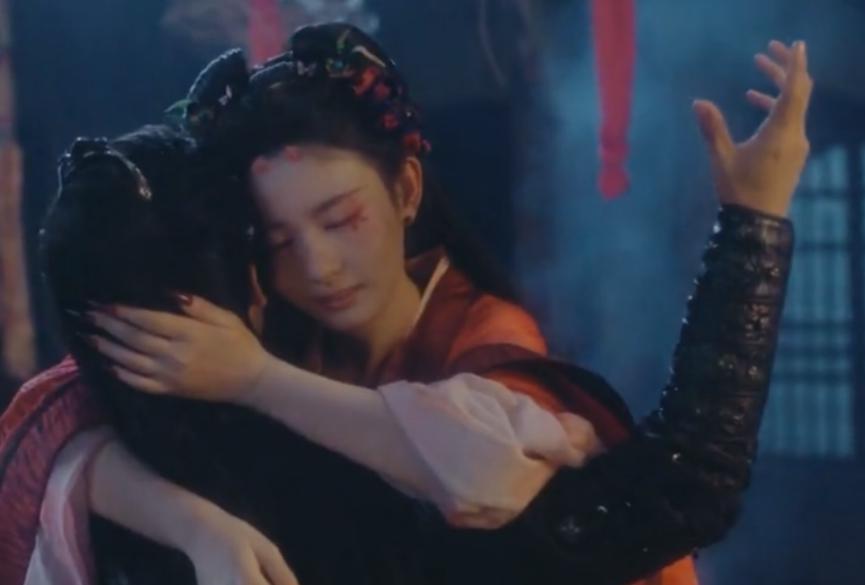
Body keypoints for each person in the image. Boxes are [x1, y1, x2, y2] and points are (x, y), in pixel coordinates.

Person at [0, 22, 809, 585]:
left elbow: (665, 483)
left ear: (406, 189)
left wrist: (753, 223)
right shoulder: (278, 341)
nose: (317, 265)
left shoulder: (486, 361)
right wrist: (195, 525)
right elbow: (46, 434)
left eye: (340, 219)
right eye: (278, 240)